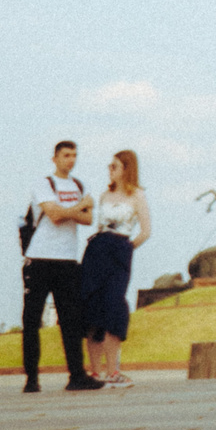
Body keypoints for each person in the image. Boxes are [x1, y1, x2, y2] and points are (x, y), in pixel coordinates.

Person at [22, 140, 102, 394]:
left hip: (67, 260)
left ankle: (76, 375)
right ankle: (32, 378)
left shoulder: (80, 185)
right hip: (40, 258)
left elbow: (88, 219)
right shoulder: (44, 184)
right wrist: (78, 206)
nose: (71, 160)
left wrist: (69, 210)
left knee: (71, 320)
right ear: (55, 158)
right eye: (66, 155)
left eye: (74, 155)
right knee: (32, 319)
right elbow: (54, 216)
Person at [80, 150, 152, 388]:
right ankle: (95, 371)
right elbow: (99, 223)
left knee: (114, 304)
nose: (110, 170)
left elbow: (145, 230)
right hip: (98, 248)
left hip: (120, 248)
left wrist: (128, 247)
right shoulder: (104, 195)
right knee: (92, 305)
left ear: (126, 168)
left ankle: (113, 370)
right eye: (109, 166)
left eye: (114, 166)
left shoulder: (137, 195)